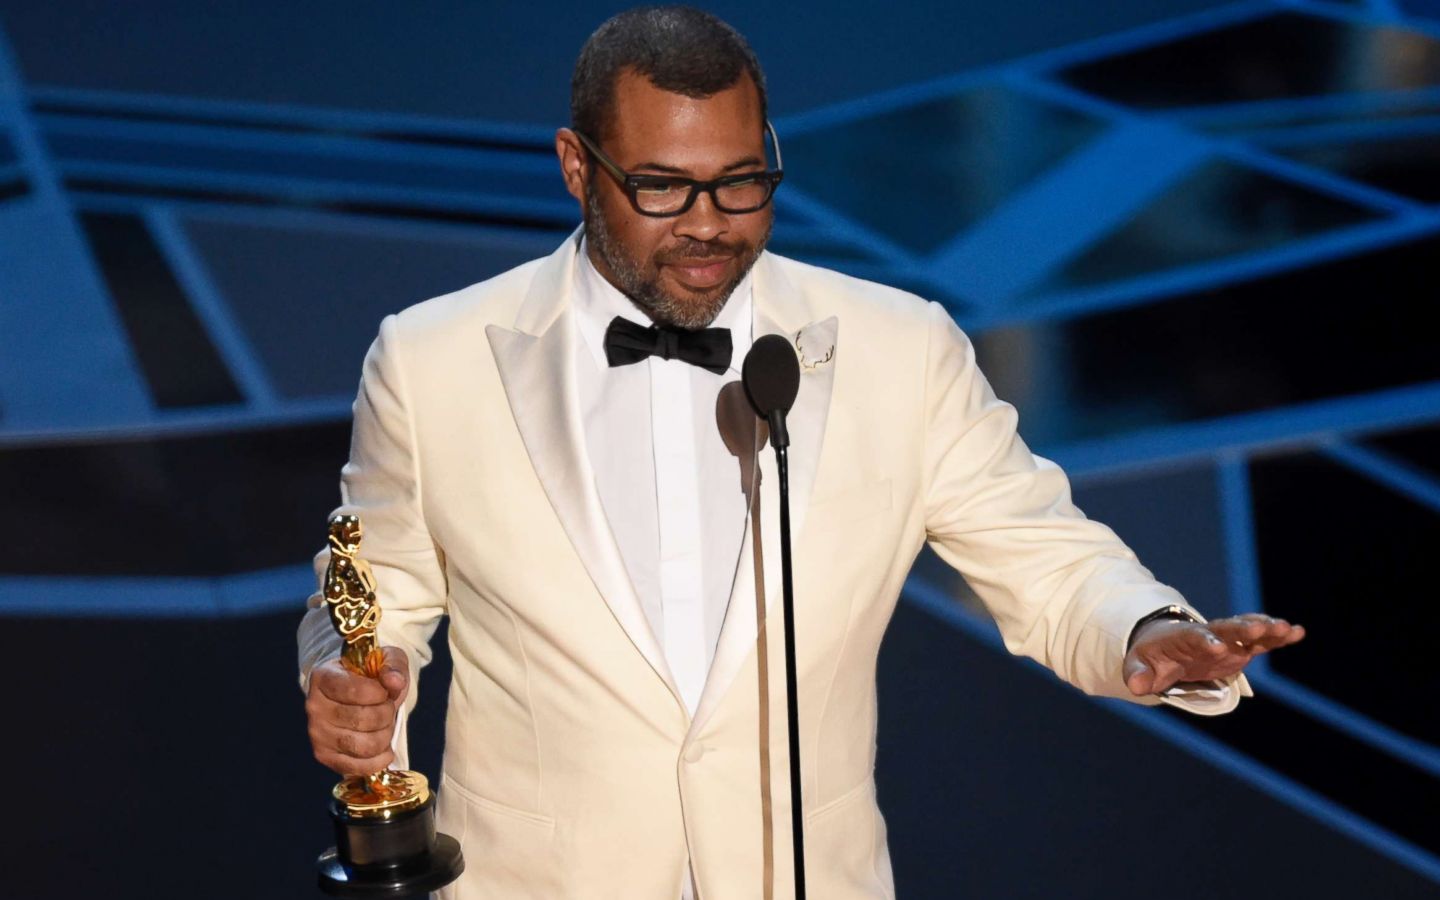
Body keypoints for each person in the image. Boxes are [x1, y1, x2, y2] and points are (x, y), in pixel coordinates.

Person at [297, 7, 1305, 898]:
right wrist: (351, 679)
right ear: (576, 167)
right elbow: (370, 589)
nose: (707, 226)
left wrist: (1140, 631)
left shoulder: (897, 348)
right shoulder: (431, 359)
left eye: (740, 184)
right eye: (661, 187)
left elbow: (1039, 551)